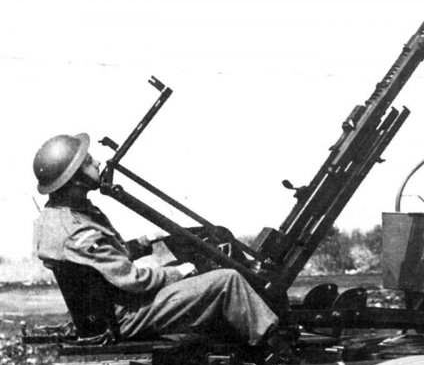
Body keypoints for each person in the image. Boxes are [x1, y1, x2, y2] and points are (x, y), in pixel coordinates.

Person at [32, 132, 278, 345]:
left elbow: (105, 262)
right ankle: (274, 345)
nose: (97, 162)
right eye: (88, 161)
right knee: (226, 279)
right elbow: (133, 280)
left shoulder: (61, 215)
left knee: (192, 270)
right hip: (124, 318)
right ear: (75, 178)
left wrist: (147, 240)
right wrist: (178, 272)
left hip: (114, 307)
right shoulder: (76, 231)